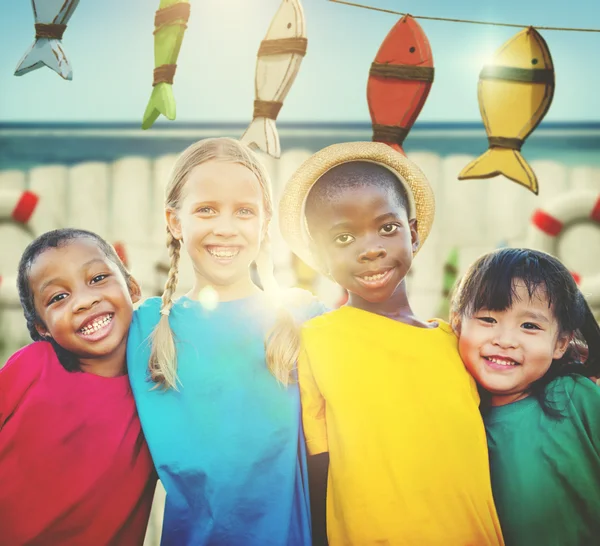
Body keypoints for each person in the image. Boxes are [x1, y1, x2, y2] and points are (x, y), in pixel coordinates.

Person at [278, 141, 505, 545]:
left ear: (413, 234)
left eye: (387, 227)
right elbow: (318, 467)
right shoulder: (316, 340)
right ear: (319, 256)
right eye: (344, 238)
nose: (372, 249)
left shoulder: (455, 342)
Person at [127, 137, 324, 545]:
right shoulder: (143, 328)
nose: (225, 228)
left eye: (244, 211)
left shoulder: (303, 319)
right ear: (175, 222)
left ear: (265, 222)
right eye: (206, 210)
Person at [0, 228, 157, 545]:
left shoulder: (157, 387)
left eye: (98, 278)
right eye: (58, 297)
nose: (85, 301)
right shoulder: (32, 366)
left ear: (132, 287)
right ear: (42, 327)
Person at [451, 247, 600, 546]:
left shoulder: (576, 397)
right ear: (457, 324)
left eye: (529, 326)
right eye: (487, 319)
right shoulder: (455, 419)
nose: (505, 340)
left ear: (560, 343)